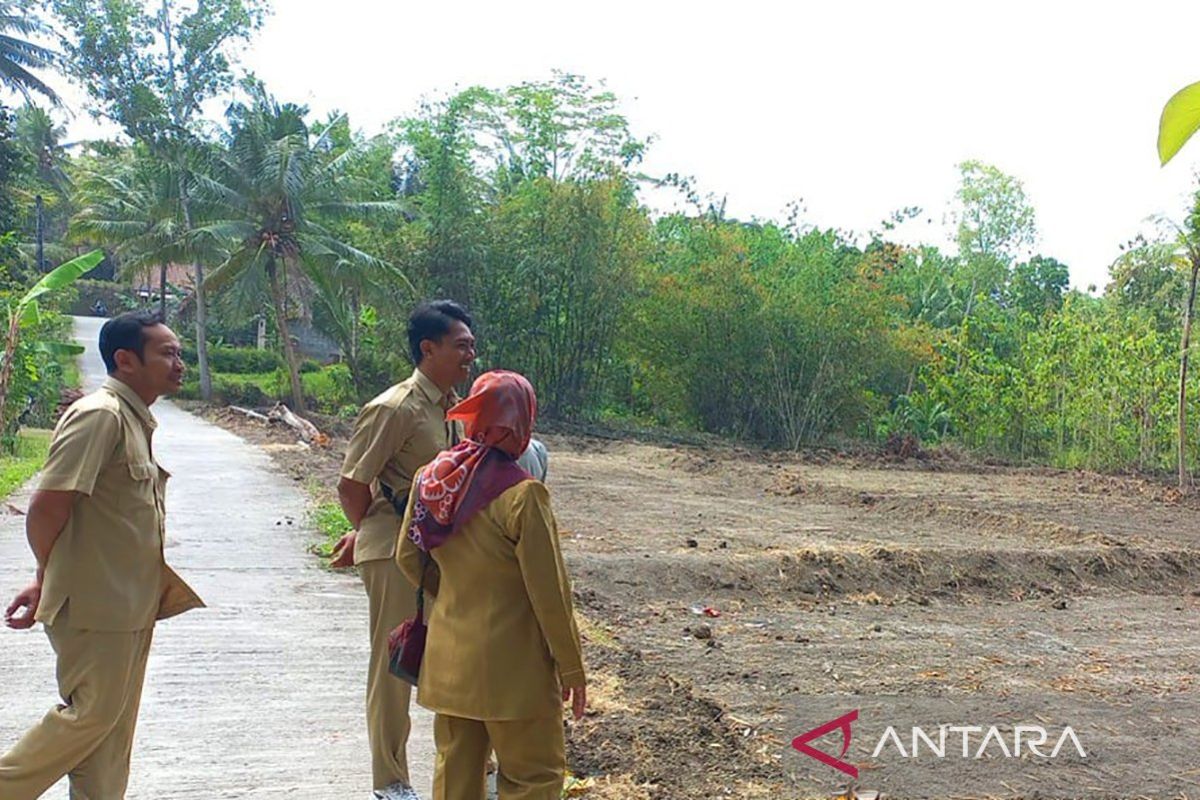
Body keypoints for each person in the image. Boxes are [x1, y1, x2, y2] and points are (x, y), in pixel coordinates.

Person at [0, 310, 204, 799]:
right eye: (167, 353)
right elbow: (48, 505)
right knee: (89, 717)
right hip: (96, 605)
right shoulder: (101, 415)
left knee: (110, 733)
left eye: (179, 353)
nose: (179, 363)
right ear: (125, 360)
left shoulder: (133, 418)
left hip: (128, 603)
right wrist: (49, 574)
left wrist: (47, 573)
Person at [396, 370, 586, 800]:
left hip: (449, 662)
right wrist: (572, 668)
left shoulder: (430, 480)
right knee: (532, 778)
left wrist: (454, 595)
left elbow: (407, 557)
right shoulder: (524, 496)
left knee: (456, 779)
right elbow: (550, 594)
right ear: (521, 423)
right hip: (514, 671)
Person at [335, 300, 476, 800]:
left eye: (472, 346)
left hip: (435, 553)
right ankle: (390, 783)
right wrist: (372, 531)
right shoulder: (394, 408)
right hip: (396, 554)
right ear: (428, 348)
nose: (470, 355)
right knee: (394, 665)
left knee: (448, 659)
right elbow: (353, 484)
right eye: (461, 345)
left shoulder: (451, 409)